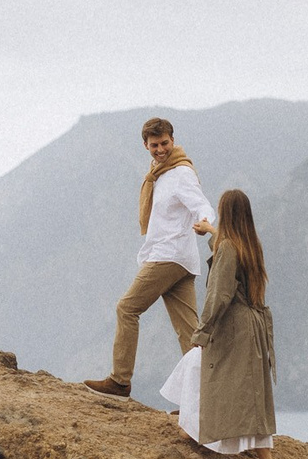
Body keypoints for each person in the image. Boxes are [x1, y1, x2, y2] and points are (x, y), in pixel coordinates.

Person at [81, 117, 214, 398]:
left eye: (165, 143)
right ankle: (204, 402)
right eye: (154, 145)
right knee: (191, 335)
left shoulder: (180, 173)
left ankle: (120, 381)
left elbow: (201, 203)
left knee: (126, 308)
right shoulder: (158, 174)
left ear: (173, 140)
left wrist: (205, 222)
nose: (160, 149)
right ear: (146, 145)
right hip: (179, 259)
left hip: (169, 255)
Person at [186, 187, 276, 459]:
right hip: (255, 326)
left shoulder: (227, 247)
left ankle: (190, 432)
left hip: (235, 328)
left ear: (225, 213)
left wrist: (202, 331)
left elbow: (219, 295)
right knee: (255, 395)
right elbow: (228, 250)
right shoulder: (251, 245)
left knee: (193, 370)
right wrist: (212, 231)